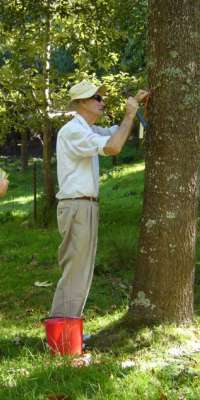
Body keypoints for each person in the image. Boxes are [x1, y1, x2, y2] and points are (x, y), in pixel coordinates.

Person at [50, 79, 148, 318]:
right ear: (82, 103)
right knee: (76, 271)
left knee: (81, 272)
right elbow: (113, 147)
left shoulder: (87, 129)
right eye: (97, 98)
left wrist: (135, 107)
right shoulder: (73, 131)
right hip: (77, 206)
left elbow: (117, 134)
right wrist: (128, 115)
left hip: (84, 206)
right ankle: (61, 334)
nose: (102, 102)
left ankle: (67, 330)